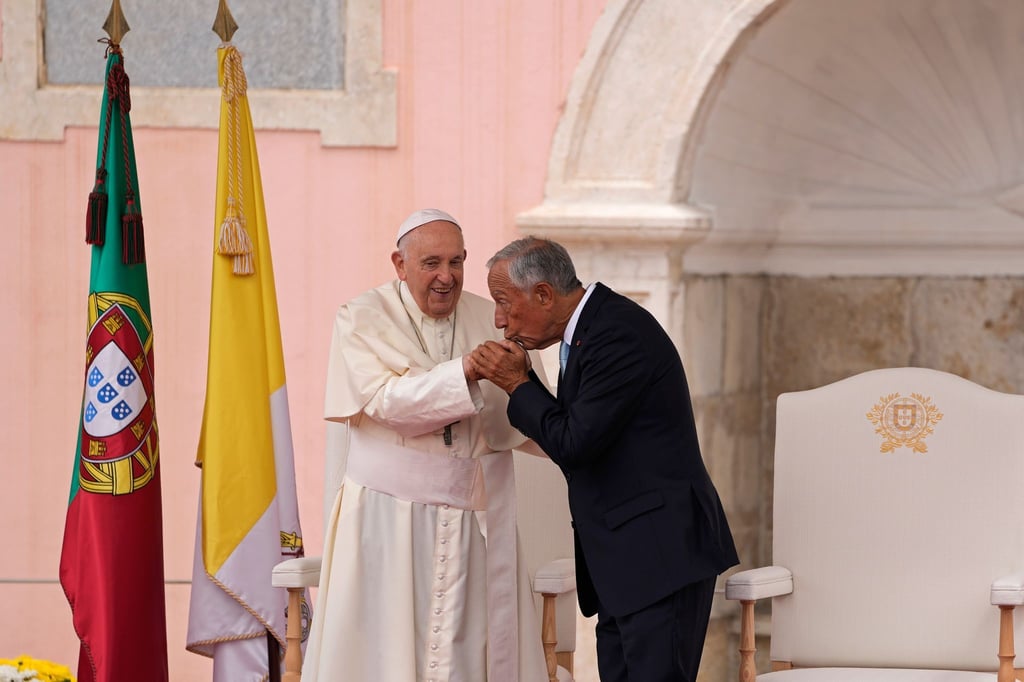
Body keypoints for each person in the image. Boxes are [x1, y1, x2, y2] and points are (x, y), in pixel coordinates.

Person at [470, 236, 739, 682]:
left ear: (543, 294)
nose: (499, 320)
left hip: (658, 558)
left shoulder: (618, 334)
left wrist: (518, 384)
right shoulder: (587, 331)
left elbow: (576, 442)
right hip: (625, 565)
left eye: (504, 303)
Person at [302, 210, 549, 682]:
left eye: (456, 262)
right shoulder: (360, 317)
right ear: (399, 263)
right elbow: (386, 402)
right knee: (383, 651)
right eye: (432, 262)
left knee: (470, 651)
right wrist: (466, 372)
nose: (446, 276)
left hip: (477, 520)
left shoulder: (493, 318)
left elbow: (530, 410)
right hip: (387, 520)